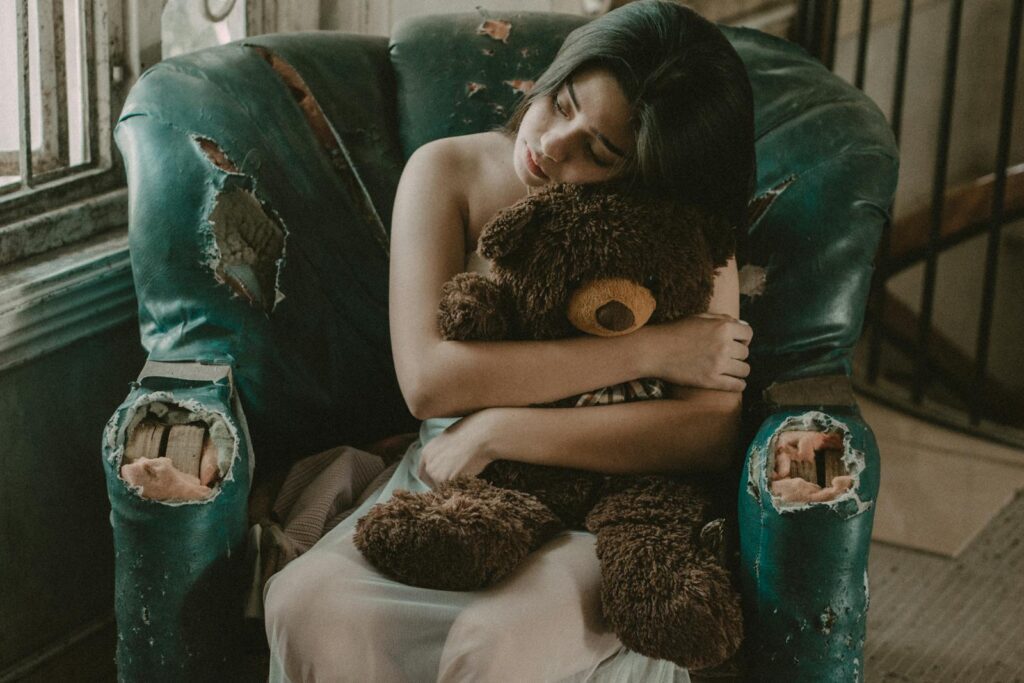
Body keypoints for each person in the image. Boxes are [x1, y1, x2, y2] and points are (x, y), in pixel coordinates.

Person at [264, 1, 755, 680]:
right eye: (563, 102)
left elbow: (707, 430)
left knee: (491, 641)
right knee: (302, 602)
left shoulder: (680, 229)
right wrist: (648, 351)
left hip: (607, 510)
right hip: (450, 481)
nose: (553, 143)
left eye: (600, 150)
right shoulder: (447, 173)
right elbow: (430, 381)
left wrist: (498, 427)